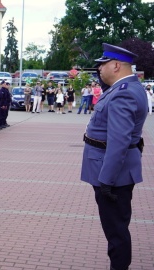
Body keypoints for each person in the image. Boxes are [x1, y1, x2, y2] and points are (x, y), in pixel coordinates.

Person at [81, 43, 147, 270]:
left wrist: (106, 180)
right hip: (114, 171)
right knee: (116, 228)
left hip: (111, 175)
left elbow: (118, 143)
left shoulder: (123, 94)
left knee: (116, 232)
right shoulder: (125, 88)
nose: (99, 69)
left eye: (102, 65)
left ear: (116, 65)